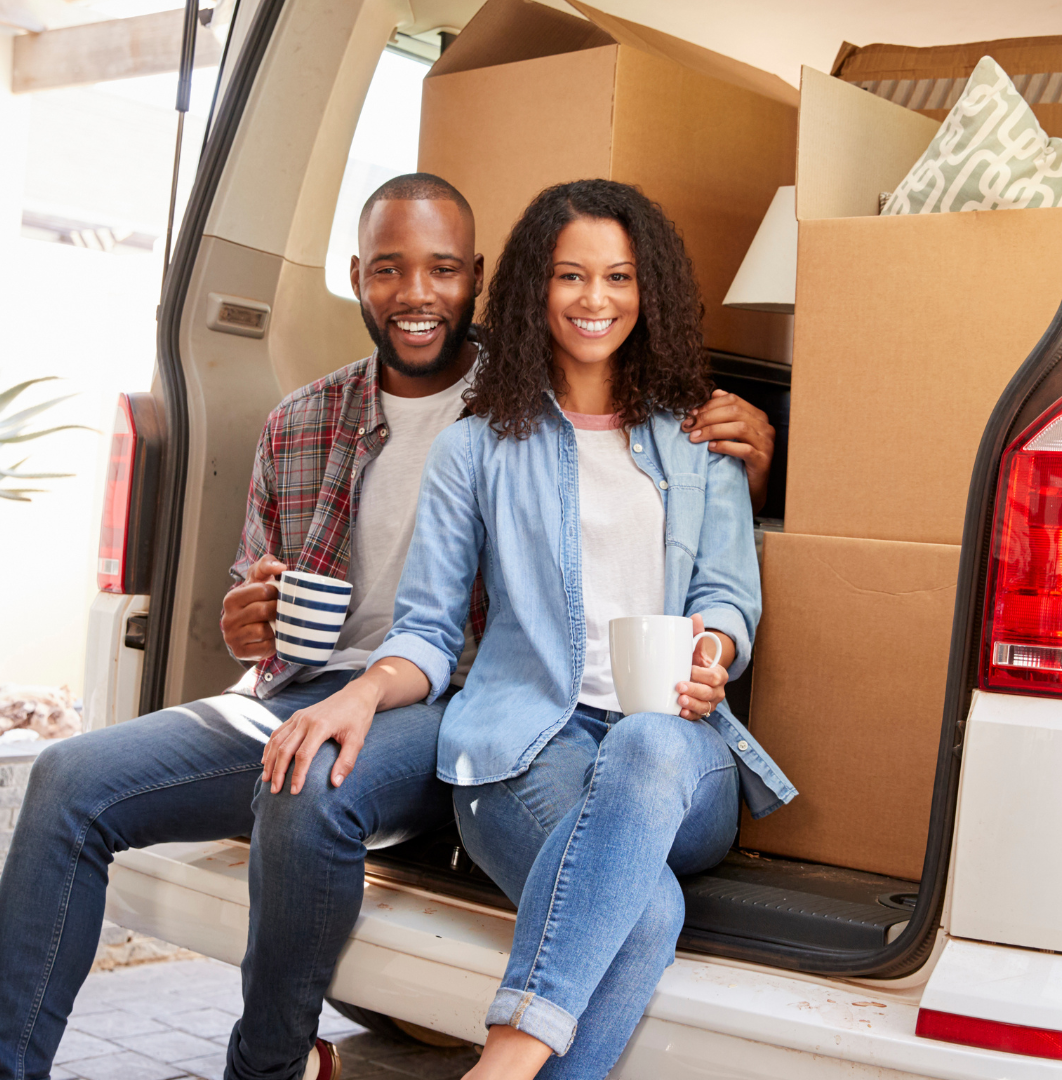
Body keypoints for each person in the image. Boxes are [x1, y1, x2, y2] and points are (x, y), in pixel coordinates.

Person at [0, 173, 779, 1080]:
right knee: (67, 777)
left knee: (618, 755)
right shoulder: (360, 425)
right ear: (357, 277)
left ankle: (301, 1067)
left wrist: (725, 582)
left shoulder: (646, 424)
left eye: (440, 270)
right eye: (390, 270)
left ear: (478, 280)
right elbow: (349, 616)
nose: (417, 294)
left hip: (504, 708)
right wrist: (257, 627)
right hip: (413, 703)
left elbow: (721, 586)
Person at [261, 179, 797, 1080]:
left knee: (647, 747)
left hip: (677, 756)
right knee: (647, 909)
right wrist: (359, 694)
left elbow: (728, 596)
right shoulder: (474, 447)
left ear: (649, 290)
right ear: (530, 293)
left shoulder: (699, 436)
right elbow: (428, 632)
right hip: (522, 751)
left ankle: (501, 1061)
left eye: (619, 277)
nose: (596, 301)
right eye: (570, 277)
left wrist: (715, 651)